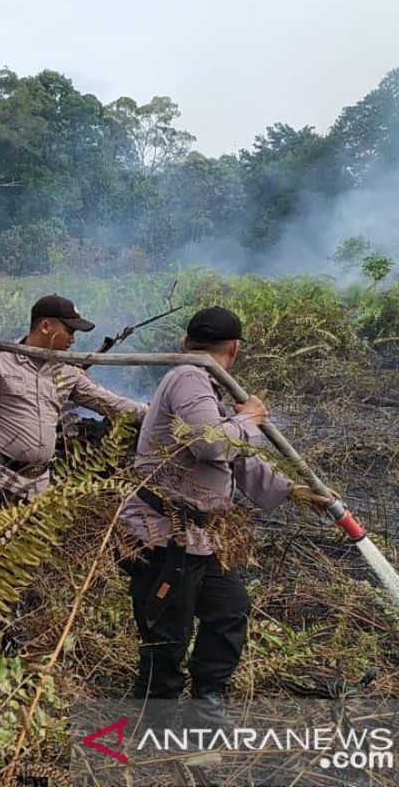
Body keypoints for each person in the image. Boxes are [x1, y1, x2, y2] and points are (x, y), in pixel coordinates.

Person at [119, 307, 329, 728]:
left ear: (186, 341)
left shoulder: (205, 385)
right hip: (164, 537)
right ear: (234, 348)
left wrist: (290, 489)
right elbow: (211, 445)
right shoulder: (188, 378)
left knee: (229, 609)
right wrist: (248, 419)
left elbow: (233, 461)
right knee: (168, 633)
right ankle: (155, 720)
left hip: (199, 538)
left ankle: (206, 703)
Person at [0, 295, 147, 532]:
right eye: (69, 331)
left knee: (28, 561)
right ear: (46, 326)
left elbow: (108, 402)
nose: (73, 339)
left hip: (37, 483)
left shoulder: (67, 370)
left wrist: (151, 413)